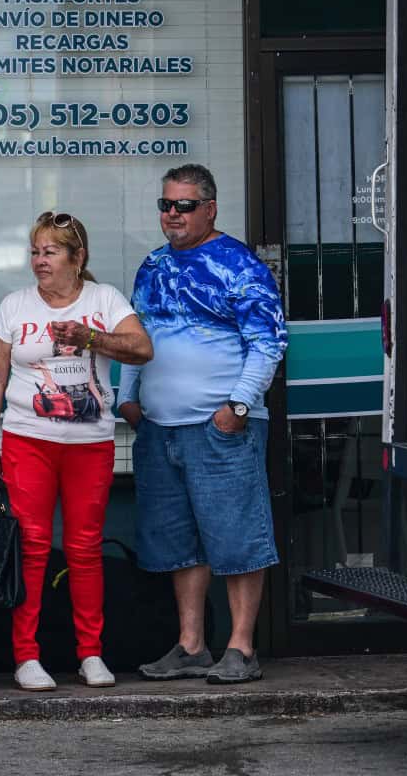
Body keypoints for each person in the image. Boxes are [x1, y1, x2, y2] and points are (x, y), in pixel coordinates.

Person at [118, 164, 288, 684]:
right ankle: (192, 646)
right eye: (166, 205)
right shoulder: (152, 266)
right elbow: (137, 337)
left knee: (237, 538)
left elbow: (268, 344)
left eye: (184, 205)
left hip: (219, 429)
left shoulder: (240, 265)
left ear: (210, 209)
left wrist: (237, 408)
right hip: (160, 428)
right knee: (179, 543)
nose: (173, 214)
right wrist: (127, 398)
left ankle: (242, 647)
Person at [0, 211, 153, 691]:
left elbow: (142, 348)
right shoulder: (15, 306)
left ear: (78, 258)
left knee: (85, 548)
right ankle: (26, 656)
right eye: (35, 252)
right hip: (28, 440)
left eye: (50, 252)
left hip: (89, 444)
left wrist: (90, 337)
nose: (39, 261)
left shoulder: (103, 299)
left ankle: (90, 653)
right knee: (32, 546)